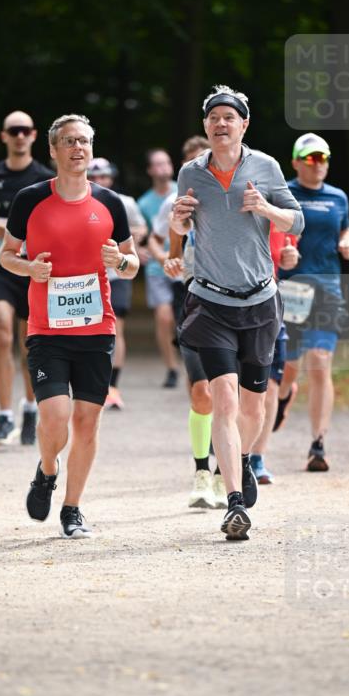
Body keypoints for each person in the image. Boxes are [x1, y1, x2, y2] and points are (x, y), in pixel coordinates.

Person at [170, 85, 304, 541]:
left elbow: (295, 219)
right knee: (223, 400)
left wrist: (265, 207)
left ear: (244, 124)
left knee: (255, 403)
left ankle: (244, 459)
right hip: (210, 301)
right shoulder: (191, 172)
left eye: (230, 117)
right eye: (214, 118)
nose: (221, 123)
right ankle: (232, 502)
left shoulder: (265, 167)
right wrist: (177, 219)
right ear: (205, 126)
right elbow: (181, 227)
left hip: (260, 303)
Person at [1, 114, 139, 537]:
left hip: (97, 328)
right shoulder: (29, 199)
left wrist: (121, 261)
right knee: (55, 415)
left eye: (84, 141)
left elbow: (133, 265)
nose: (78, 148)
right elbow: (6, 254)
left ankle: (72, 508)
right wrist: (29, 269)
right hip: (46, 328)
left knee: (86, 422)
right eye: (69, 141)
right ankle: (46, 470)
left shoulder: (110, 203)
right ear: (53, 150)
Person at [0, 111, 54, 446]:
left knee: (27, 343)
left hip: (33, 268)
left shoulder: (45, 178)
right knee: (2, 332)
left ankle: (29, 408)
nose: (20, 136)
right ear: (4, 136)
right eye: (13, 131)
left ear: (34, 136)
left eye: (26, 131)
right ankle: (4, 417)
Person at [277, 133, 349, 472]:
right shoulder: (284, 195)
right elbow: (270, 237)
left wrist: (348, 240)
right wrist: (283, 253)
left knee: (321, 362)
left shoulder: (338, 197)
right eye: (310, 158)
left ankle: (318, 444)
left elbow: (345, 230)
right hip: (292, 290)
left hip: (327, 288)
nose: (317, 164)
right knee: (290, 365)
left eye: (322, 158)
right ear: (296, 162)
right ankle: (281, 398)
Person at [160, 136, 227, 511]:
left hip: (232, 303)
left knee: (226, 395)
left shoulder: (232, 191)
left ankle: (224, 472)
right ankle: (202, 471)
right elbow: (175, 235)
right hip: (194, 299)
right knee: (201, 391)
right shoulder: (181, 202)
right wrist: (172, 257)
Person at [86, 157, 147, 410]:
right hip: (87, 275)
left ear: (112, 178)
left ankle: (113, 386)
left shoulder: (125, 202)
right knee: (89, 327)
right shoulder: (78, 202)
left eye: (104, 176)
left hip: (117, 274)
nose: (100, 181)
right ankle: (90, 382)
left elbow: (141, 229)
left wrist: (125, 245)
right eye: (95, 176)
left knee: (116, 328)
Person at [248, 225, 301, 483]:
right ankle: (236, 446)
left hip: (270, 307)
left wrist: (291, 257)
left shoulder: (278, 212)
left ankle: (257, 457)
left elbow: (289, 253)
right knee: (233, 386)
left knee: (268, 385)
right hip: (226, 308)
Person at [137, 149, 179, 387]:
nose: (163, 168)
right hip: (157, 267)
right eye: (158, 164)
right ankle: (172, 367)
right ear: (150, 170)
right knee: (164, 318)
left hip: (186, 266)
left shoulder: (184, 191)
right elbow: (140, 235)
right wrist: (138, 250)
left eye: (166, 163)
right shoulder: (144, 203)